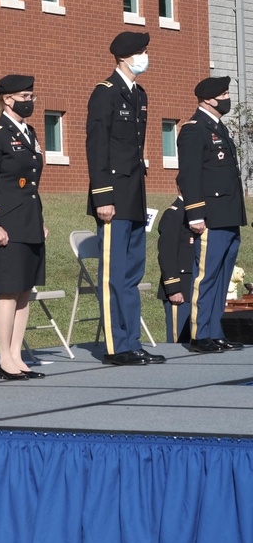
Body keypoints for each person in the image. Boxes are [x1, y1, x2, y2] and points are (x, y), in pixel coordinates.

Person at [85, 31, 165, 366]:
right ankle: (116, 346)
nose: (144, 57)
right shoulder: (105, 94)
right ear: (123, 57)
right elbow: (97, 147)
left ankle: (132, 340)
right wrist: (102, 196)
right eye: (140, 52)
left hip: (133, 196)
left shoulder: (139, 94)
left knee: (132, 273)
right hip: (112, 198)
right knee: (113, 274)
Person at [0, 75, 47, 381]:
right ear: (7, 99)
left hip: (28, 220)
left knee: (24, 291)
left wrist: (39, 221)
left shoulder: (28, 132)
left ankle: (17, 354)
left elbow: (31, 183)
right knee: (8, 291)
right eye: (25, 95)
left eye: (32, 95)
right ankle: (4, 359)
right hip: (5, 224)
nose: (30, 100)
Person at [177, 75, 247, 353]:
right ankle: (199, 334)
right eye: (224, 93)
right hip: (210, 217)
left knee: (222, 277)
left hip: (228, 215)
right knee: (205, 277)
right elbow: (190, 176)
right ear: (208, 99)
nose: (227, 98)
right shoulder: (195, 129)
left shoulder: (219, 128)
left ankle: (215, 330)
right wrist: (195, 213)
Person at [156, 194, 193, 344]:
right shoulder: (174, 214)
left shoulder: (192, 213)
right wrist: (173, 288)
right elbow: (167, 253)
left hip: (193, 286)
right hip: (181, 289)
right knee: (178, 341)